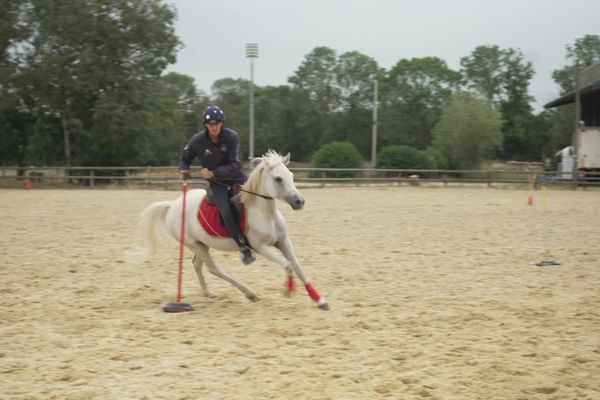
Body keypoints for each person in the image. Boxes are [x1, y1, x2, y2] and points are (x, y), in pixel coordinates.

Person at [179, 105, 255, 265]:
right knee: (225, 211)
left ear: (222, 123)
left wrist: (213, 172)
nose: (214, 127)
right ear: (205, 125)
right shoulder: (197, 140)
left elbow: (235, 164)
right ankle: (243, 247)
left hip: (236, 176)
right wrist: (184, 169)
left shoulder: (232, 137)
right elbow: (185, 158)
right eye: (210, 124)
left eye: (217, 123)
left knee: (257, 194)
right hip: (217, 184)